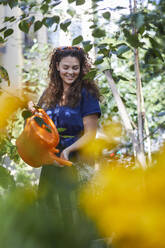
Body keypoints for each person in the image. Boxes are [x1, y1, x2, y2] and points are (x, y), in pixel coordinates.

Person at [28, 46, 103, 247]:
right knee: (52, 220)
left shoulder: (87, 94)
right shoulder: (49, 93)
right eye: (66, 67)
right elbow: (41, 126)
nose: (70, 72)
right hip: (51, 163)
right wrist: (32, 111)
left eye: (75, 68)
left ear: (81, 69)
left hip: (76, 163)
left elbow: (91, 134)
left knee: (78, 221)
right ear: (57, 67)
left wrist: (68, 151)